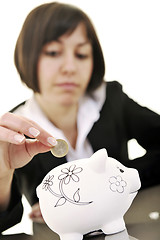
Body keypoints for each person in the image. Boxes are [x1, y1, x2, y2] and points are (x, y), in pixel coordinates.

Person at [0, 1, 160, 237]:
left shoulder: (111, 100)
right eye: (53, 53)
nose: (70, 67)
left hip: (124, 228)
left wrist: (118, 182)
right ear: (27, 57)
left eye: (82, 54)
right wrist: (2, 175)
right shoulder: (15, 131)